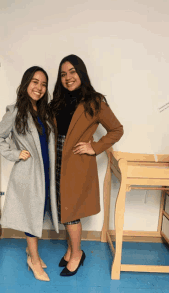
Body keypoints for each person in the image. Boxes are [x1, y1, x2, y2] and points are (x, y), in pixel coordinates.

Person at [50, 54, 124, 277]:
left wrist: (96, 146)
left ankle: (77, 254)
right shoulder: (58, 101)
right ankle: (71, 249)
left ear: (81, 73)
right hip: (58, 160)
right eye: (63, 74)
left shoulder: (96, 102)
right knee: (63, 206)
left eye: (72, 71)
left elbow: (117, 130)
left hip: (78, 164)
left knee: (71, 211)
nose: (68, 77)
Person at [0, 66, 59, 282]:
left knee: (39, 212)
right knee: (32, 215)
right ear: (26, 83)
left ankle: (31, 252)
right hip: (28, 174)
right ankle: (34, 260)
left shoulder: (44, 112)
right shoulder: (15, 112)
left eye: (44, 84)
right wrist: (16, 153)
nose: (39, 87)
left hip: (46, 171)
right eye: (35, 82)